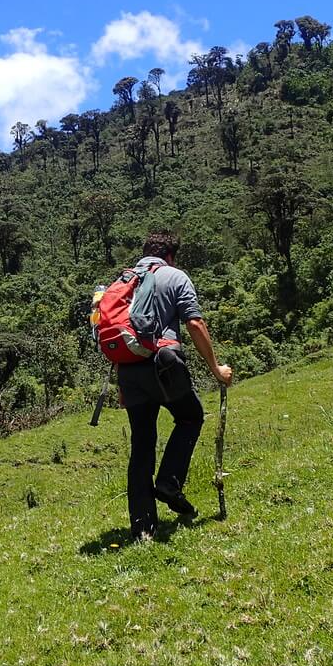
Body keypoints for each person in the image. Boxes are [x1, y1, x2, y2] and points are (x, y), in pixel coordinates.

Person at [117, 230, 232, 541]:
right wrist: (216, 369)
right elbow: (194, 323)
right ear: (170, 254)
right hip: (163, 364)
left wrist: (121, 381)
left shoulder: (126, 280)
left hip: (129, 370)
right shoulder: (175, 275)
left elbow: (118, 331)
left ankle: (143, 529)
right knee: (190, 416)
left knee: (141, 443)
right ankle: (168, 482)